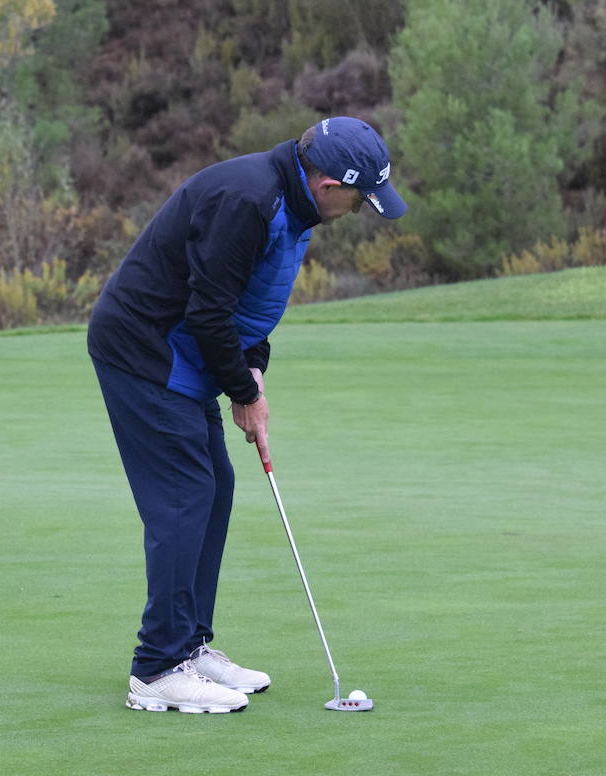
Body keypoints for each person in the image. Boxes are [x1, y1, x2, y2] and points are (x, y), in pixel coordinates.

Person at [87, 117, 408, 714]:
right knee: (185, 495)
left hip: (182, 350)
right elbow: (210, 311)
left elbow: (252, 300)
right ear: (328, 183)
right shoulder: (249, 200)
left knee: (215, 488)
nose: (361, 210)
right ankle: (157, 668)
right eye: (360, 198)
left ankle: (189, 644)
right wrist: (244, 391)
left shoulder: (294, 205)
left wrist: (253, 367)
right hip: (145, 349)